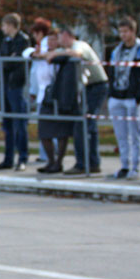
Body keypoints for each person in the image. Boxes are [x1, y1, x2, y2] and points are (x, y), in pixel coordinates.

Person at [43, 25, 108, 175]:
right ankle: (93, 163)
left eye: (60, 37)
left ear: (66, 35)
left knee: (82, 124)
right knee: (88, 125)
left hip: (97, 86)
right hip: (88, 87)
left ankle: (82, 164)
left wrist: (57, 54)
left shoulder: (79, 45)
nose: (58, 41)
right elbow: (47, 56)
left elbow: (77, 54)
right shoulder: (67, 49)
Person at [105, 17, 140, 180]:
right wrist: (111, 92)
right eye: (121, 32)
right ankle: (124, 165)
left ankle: (135, 166)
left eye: (126, 31)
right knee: (121, 134)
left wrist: (139, 95)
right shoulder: (116, 51)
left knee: (134, 134)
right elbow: (111, 72)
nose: (123, 35)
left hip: (132, 97)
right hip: (117, 95)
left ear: (133, 31)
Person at [36, 26, 83, 173]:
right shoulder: (46, 54)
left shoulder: (65, 53)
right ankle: (50, 161)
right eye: (49, 40)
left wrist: (56, 54)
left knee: (62, 130)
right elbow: (31, 54)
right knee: (44, 130)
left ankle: (58, 162)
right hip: (47, 95)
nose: (52, 42)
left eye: (55, 39)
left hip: (63, 96)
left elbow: (75, 55)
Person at [0, 14, 31, 171]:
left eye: (4, 25)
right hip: (6, 84)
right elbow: (0, 59)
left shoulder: (22, 40)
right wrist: (7, 60)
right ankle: (8, 158)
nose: (3, 28)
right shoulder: (6, 41)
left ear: (10, 25)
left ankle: (22, 157)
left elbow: (16, 62)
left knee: (19, 123)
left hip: (16, 85)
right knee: (7, 123)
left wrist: (8, 60)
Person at [27, 19, 56, 166]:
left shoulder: (45, 44)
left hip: (45, 91)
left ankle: (47, 155)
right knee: (46, 124)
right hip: (41, 90)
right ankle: (45, 154)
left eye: (34, 34)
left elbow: (38, 67)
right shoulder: (39, 47)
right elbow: (28, 54)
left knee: (46, 126)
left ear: (39, 33)